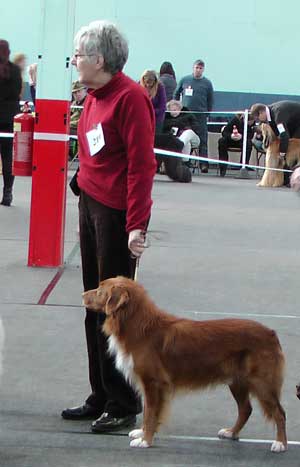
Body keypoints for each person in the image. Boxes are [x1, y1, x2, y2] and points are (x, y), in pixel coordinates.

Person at [61, 20, 157, 433]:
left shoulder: (130, 99)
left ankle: (123, 402)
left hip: (117, 215)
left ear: (99, 60)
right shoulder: (93, 96)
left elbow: (141, 164)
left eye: (79, 55)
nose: (75, 61)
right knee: (92, 304)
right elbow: (92, 146)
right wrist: (81, 178)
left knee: (115, 314)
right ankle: (100, 391)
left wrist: (137, 224)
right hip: (92, 204)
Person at [174, 59, 214, 173]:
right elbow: (176, 94)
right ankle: (183, 161)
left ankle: (203, 163)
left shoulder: (207, 83)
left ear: (203, 70)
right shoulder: (185, 80)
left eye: (200, 68)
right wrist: (177, 108)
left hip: (201, 115)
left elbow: (210, 99)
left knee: (203, 139)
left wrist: (208, 113)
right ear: (193, 68)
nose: (198, 70)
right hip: (186, 114)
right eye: (196, 67)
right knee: (183, 135)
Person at [250, 101, 300, 186]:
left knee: (288, 150)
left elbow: (284, 135)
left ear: (261, 113)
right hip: (294, 124)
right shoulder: (270, 112)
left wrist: (282, 153)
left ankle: (293, 180)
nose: (259, 122)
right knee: (286, 148)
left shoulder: (278, 114)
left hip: (297, 125)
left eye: (258, 118)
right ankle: (284, 181)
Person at [0, 40, 22, 206]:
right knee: (8, 157)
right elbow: (18, 92)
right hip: (10, 119)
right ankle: (7, 194)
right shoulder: (15, 70)